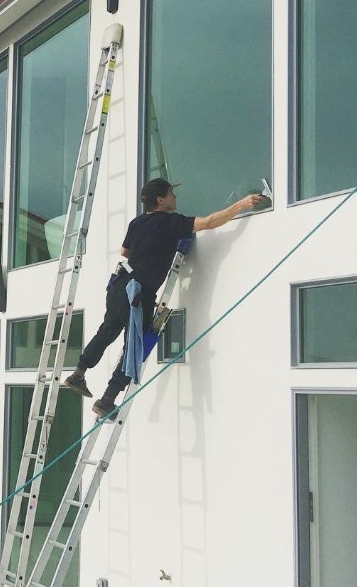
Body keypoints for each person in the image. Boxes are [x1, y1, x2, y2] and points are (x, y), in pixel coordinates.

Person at [65, 177, 263, 417]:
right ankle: (107, 400)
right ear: (160, 199)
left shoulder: (137, 222)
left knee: (106, 332)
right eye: (171, 193)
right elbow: (210, 222)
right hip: (137, 295)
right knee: (134, 349)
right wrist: (241, 205)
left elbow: (125, 251)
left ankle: (78, 373)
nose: (175, 197)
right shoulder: (171, 223)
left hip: (119, 286)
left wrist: (152, 248)